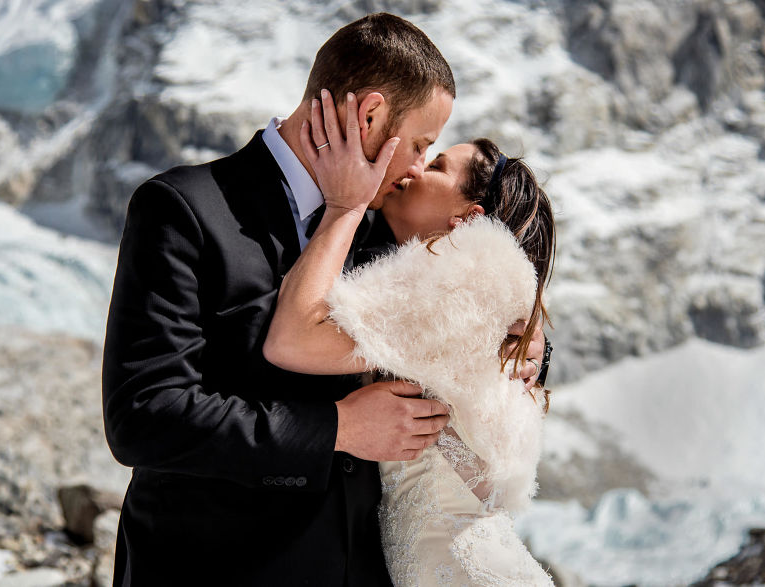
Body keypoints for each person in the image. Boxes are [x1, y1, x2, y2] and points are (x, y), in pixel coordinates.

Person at [102, 12, 546, 585]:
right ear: (370, 115)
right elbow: (144, 417)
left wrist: (528, 340)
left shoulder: (389, 224)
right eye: (418, 144)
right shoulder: (186, 209)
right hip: (211, 569)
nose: (414, 169)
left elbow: (473, 288)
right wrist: (336, 428)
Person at [262, 95, 556, 584]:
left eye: (436, 164)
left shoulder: (458, 281)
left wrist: (345, 205)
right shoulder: (455, 280)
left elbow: (291, 341)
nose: (415, 168)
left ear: (468, 219)